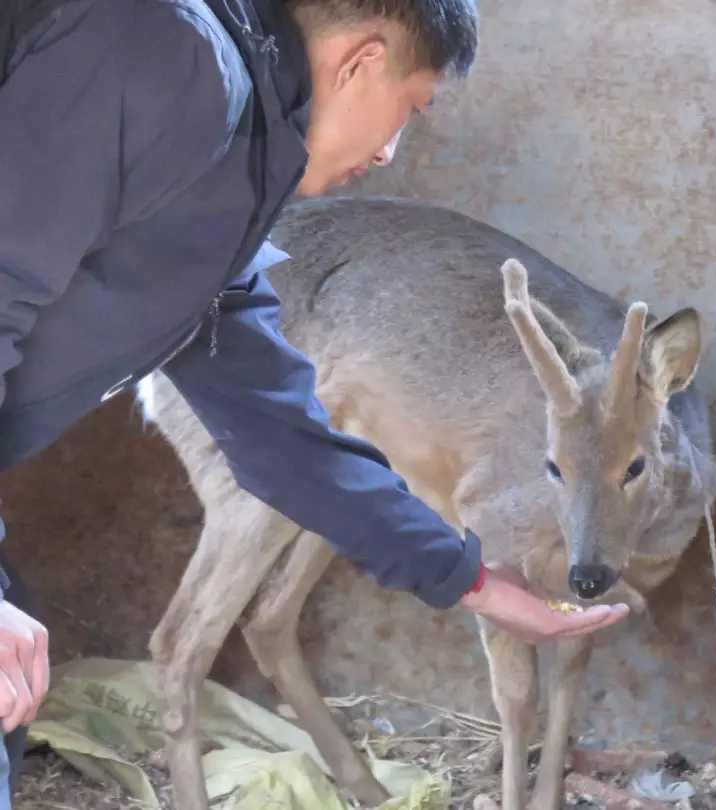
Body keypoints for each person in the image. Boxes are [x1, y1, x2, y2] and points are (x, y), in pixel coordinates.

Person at [0, 0, 630, 803]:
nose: (392, 151)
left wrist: (466, 577)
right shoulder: (164, 51)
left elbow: (278, 426)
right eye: (410, 110)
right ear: (362, 60)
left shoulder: (232, 166)